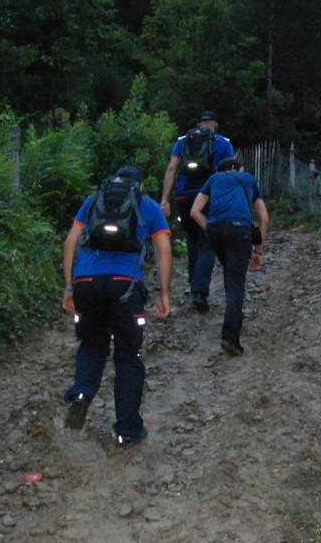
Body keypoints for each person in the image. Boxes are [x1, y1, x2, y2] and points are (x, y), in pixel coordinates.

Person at [61, 165, 172, 449]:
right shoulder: (147, 205)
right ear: (141, 186)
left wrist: (70, 285)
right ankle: (127, 430)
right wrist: (164, 293)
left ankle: (82, 393)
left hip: (86, 281)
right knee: (127, 355)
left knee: (91, 343)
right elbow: (163, 248)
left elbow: (71, 241)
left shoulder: (93, 199)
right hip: (125, 285)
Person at [189, 158, 269, 356]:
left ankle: (235, 318)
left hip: (215, 230)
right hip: (239, 230)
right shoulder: (248, 178)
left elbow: (194, 212)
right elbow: (264, 218)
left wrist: (211, 229)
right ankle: (230, 336)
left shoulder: (213, 179)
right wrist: (258, 251)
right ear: (240, 168)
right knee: (236, 282)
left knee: (230, 272)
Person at [160, 110, 235, 313]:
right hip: (209, 196)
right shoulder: (223, 142)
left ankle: (194, 283)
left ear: (199, 123)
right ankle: (199, 291)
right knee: (207, 242)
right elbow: (232, 171)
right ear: (215, 125)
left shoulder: (182, 141)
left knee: (192, 238)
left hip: (184, 196)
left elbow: (172, 168)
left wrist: (165, 199)